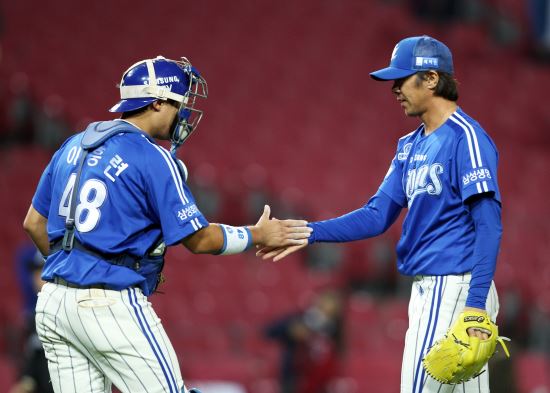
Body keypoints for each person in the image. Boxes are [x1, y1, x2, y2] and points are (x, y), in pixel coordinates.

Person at [22, 55, 312, 393]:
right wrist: (257, 234)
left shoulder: (72, 145)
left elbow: (33, 223)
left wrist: (74, 268)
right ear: (157, 103)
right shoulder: (151, 156)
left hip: (53, 303)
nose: (184, 113)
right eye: (179, 103)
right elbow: (199, 239)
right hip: (107, 303)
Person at [259, 36, 503, 393]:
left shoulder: (466, 138)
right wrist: (307, 231)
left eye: (402, 79)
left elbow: (489, 225)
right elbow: (376, 214)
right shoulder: (409, 146)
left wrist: (476, 305)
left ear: (432, 79)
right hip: (437, 289)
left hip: (454, 286)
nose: (394, 89)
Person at [265, 290, 344, 393]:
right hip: (294, 377)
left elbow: (338, 353)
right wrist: (290, 330)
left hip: (320, 380)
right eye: (325, 303)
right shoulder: (300, 318)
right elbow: (270, 331)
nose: (326, 308)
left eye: (332, 306)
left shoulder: (335, 330)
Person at [10, 246, 53, 393]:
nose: (37, 278)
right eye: (35, 271)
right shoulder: (33, 317)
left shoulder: (68, 313)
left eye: (42, 270)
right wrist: (27, 381)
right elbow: (35, 360)